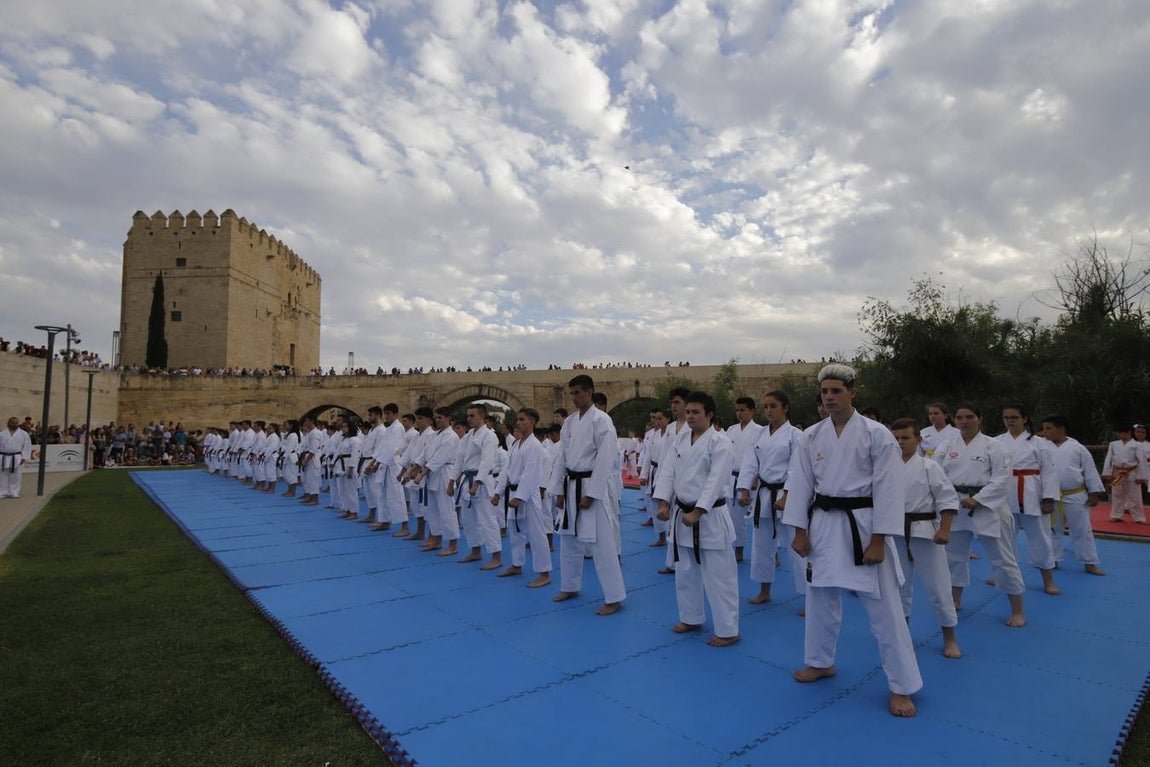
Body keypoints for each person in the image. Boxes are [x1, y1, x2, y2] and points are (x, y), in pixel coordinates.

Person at [784, 364, 922, 718]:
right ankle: (820, 662)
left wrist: (879, 539)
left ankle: (902, 685)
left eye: (836, 391)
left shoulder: (877, 435)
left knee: (884, 609)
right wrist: (799, 530)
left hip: (863, 526)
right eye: (825, 392)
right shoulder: (810, 436)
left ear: (852, 393)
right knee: (820, 598)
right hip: (824, 525)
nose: (829, 397)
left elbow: (889, 491)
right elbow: (800, 484)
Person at [654, 391, 739, 646]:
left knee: (719, 576)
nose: (690, 416)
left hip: (710, 517)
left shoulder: (720, 442)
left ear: (709, 415)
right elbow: (668, 471)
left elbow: (716, 480)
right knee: (685, 571)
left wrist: (699, 510)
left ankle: (728, 629)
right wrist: (663, 501)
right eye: (688, 412)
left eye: (695, 412)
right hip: (682, 514)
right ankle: (691, 618)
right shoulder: (680, 440)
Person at [932, 403, 1027, 627]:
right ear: (954, 420)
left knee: (1003, 559)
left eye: (970, 417)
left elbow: (1002, 479)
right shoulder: (946, 446)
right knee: (954, 557)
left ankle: (1017, 609)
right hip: (955, 505)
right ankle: (955, 599)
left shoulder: (994, 447)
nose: (964, 421)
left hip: (988, 507)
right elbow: (936, 475)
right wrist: (944, 500)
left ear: (980, 419)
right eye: (960, 417)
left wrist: (979, 499)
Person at [548, 375, 627, 615]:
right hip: (571, 484)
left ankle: (614, 597)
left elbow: (606, 459)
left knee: (602, 544)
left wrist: (592, 493)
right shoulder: (570, 423)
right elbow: (562, 457)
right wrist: (558, 490)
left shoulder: (602, 421)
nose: (574, 398)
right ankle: (570, 586)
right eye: (571, 393)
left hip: (591, 485)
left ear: (590, 392)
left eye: (578, 393)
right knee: (568, 540)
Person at [889, 418, 961, 659]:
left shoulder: (930, 467)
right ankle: (902, 634)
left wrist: (945, 529)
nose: (900, 443)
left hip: (925, 531)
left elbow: (947, 499)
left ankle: (949, 638)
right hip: (895, 531)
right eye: (896, 438)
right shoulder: (886, 467)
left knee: (939, 586)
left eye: (905, 438)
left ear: (918, 439)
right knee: (899, 587)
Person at [736, 390, 801, 606]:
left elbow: (797, 468)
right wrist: (744, 489)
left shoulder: (795, 436)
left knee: (798, 547)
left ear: (785, 407)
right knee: (762, 546)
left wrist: (787, 495)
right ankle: (764, 591)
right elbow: (750, 463)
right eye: (766, 406)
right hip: (763, 494)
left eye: (773, 406)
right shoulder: (760, 434)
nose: (769, 411)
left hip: (788, 496)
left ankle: (810, 597)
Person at [996, 405, 1060, 596]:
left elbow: (1049, 471)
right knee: (1004, 538)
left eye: (1014, 417)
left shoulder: (1040, 443)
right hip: (1005, 493)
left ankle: (1048, 579)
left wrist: (1049, 498)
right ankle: (1005, 576)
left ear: (1025, 419)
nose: (1010, 421)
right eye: (1006, 417)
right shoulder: (996, 442)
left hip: (1032, 493)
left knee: (1040, 537)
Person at [491, 408, 553, 587]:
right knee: (515, 531)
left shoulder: (534, 445)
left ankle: (544, 573)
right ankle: (517, 564)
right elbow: (507, 471)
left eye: (522, 419)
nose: (518, 422)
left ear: (532, 422)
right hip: (514, 491)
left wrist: (519, 497)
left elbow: (531, 473)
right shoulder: (516, 444)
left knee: (536, 533)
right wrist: (498, 492)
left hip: (528, 494)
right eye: (517, 419)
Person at [1041, 415, 1105, 575]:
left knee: (1082, 529)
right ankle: (1052, 560)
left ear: (1061, 429)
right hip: (1050, 495)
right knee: (1051, 530)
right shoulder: (1041, 447)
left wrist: (1094, 492)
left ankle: (1089, 562)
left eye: (1048, 428)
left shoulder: (1077, 448)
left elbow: (1089, 470)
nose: (1044, 432)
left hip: (1075, 494)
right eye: (1044, 429)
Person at [455, 403, 502, 569]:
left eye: (472, 416)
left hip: (480, 482)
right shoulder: (467, 437)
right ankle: (475, 551)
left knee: (487, 519)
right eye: (468, 416)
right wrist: (453, 480)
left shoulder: (489, 436)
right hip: (467, 480)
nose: (469, 419)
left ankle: (496, 556)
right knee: (468, 520)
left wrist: (477, 483)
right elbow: (460, 459)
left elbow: (486, 461)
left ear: (482, 416)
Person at [725, 397, 761, 564]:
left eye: (743, 410)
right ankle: (736, 549)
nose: (739, 413)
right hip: (732, 479)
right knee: (734, 518)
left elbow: (764, 456)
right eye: (737, 410)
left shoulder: (760, 431)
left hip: (751, 480)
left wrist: (756, 477)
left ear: (752, 411)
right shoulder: (731, 430)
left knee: (761, 519)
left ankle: (772, 552)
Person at [1103, 424, 1147, 523]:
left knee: (1135, 496)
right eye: (1119, 433)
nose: (1120, 435)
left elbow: (1141, 461)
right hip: (1117, 472)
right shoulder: (1113, 444)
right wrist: (1107, 473)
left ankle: (1139, 518)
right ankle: (1117, 515)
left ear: (1129, 432)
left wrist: (1141, 476)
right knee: (1117, 495)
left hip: (1131, 472)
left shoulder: (1137, 445)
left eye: (1123, 432)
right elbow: (1108, 459)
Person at [0, 417, 33, 499]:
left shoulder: (24, 434)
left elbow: (27, 446)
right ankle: (2, 492)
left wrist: (24, 457)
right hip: (3, 456)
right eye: (12, 422)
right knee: (2, 475)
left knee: (16, 475)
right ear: (8, 423)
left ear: (18, 423)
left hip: (17, 456)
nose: (14, 424)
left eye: (16, 422)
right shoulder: (2, 433)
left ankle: (14, 492)